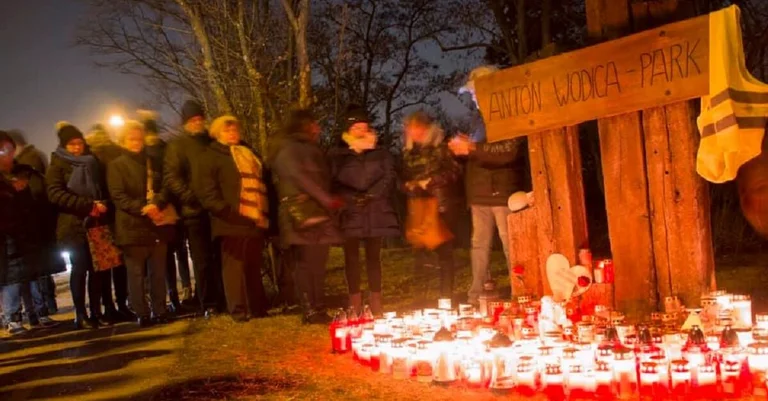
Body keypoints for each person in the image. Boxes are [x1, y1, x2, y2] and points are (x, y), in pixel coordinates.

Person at [452, 65, 528, 305]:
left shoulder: (508, 115)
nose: (473, 98)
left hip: (503, 192)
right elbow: (477, 152)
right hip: (479, 193)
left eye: (475, 92)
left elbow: (508, 151)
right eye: (472, 93)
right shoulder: (477, 119)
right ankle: (476, 296)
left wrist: (473, 148)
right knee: (478, 246)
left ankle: (521, 293)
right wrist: (460, 150)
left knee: (511, 244)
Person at [268, 109, 343, 324]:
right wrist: (326, 199)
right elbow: (301, 178)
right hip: (300, 214)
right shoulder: (288, 149)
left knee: (317, 264)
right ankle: (310, 308)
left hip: (316, 213)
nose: (318, 128)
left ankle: (318, 307)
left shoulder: (309, 148)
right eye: (314, 124)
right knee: (305, 264)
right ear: (304, 125)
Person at [198, 116, 270, 322]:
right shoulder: (211, 156)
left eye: (234, 130)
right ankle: (238, 309)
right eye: (227, 130)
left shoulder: (249, 153)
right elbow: (208, 192)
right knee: (233, 267)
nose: (232, 133)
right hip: (229, 221)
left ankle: (258, 306)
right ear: (217, 133)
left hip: (253, 219)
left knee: (253, 265)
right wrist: (228, 212)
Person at [329, 106, 399, 315]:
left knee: (373, 259)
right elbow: (332, 182)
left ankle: (376, 303)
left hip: (375, 211)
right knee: (351, 259)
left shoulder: (381, 153)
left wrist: (371, 195)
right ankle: (355, 304)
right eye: (355, 127)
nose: (360, 130)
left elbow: (389, 177)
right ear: (348, 130)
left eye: (363, 126)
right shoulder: (337, 155)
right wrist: (352, 197)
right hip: (350, 212)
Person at [108, 120, 175, 327]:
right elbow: (118, 196)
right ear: (123, 141)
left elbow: (165, 186)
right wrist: (142, 208)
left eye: (139, 138)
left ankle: (160, 310)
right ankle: (142, 312)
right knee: (135, 275)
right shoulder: (116, 165)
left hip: (156, 224)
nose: (136, 142)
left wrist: (157, 203)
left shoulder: (152, 162)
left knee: (158, 272)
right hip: (132, 227)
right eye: (131, 139)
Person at [46, 122, 108, 329]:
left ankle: (96, 312)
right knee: (80, 270)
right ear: (64, 146)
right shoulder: (56, 166)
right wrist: (87, 205)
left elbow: (101, 189)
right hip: (72, 226)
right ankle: (80, 314)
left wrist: (101, 205)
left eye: (79, 143)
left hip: (94, 224)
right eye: (72, 144)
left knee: (97, 270)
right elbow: (55, 194)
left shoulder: (91, 162)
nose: (77, 147)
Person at [0, 131, 63, 334]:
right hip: (7, 237)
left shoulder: (23, 172)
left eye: (9, 149)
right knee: (13, 280)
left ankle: (39, 314)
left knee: (34, 274)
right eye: (2, 150)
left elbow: (32, 201)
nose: (6, 154)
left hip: (27, 232)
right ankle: (13, 318)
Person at [164, 100, 222, 317]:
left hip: (216, 211)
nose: (197, 122)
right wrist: (191, 198)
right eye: (192, 119)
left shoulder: (211, 141)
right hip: (194, 213)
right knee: (202, 260)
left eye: (200, 118)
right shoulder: (177, 146)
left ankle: (221, 298)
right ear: (185, 122)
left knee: (219, 258)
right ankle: (208, 303)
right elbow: (173, 177)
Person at [401, 111, 462, 299]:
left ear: (426, 128)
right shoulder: (409, 153)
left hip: (441, 205)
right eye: (411, 129)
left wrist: (431, 181)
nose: (414, 132)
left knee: (444, 253)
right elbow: (404, 176)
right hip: (419, 206)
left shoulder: (440, 148)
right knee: (420, 253)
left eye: (417, 128)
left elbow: (455, 171)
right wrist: (409, 185)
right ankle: (422, 297)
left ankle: (446, 296)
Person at [140, 110, 190, 312]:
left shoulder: (144, 155)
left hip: (155, 210)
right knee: (175, 255)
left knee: (159, 259)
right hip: (172, 208)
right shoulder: (168, 149)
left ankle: (163, 300)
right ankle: (179, 294)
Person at [85, 124, 132, 322]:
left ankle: (109, 307)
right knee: (117, 265)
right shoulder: (114, 153)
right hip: (114, 214)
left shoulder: (89, 157)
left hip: (101, 216)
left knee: (104, 267)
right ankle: (120, 304)